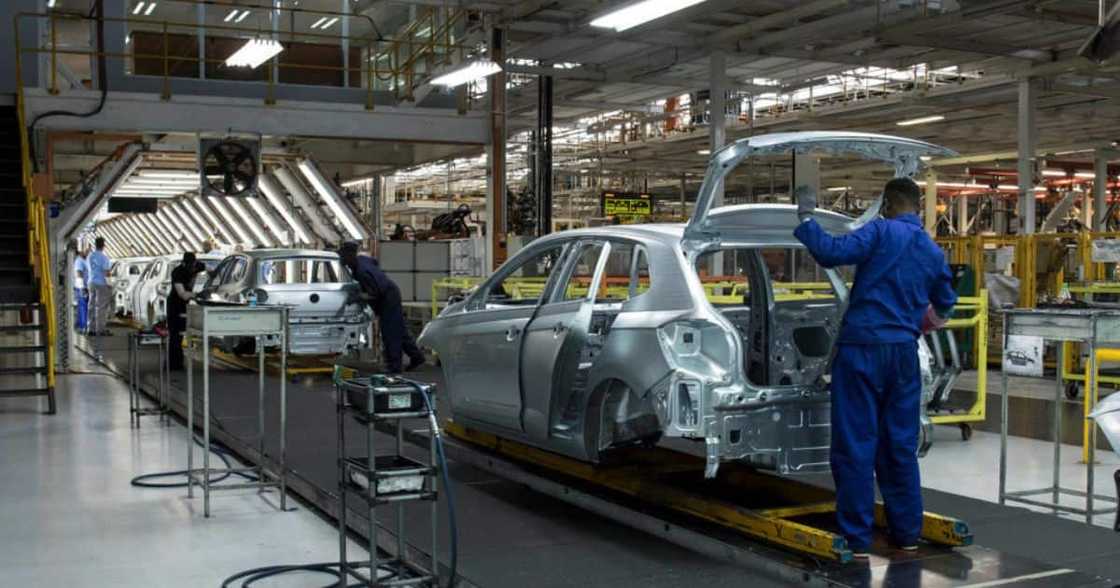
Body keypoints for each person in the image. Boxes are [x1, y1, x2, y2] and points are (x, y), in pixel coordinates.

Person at [792, 178, 956, 558]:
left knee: (855, 444)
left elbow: (830, 252)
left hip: (863, 350)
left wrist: (805, 214)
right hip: (903, 354)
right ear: (918, 206)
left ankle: (857, 538)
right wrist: (920, 323)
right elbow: (946, 304)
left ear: (887, 204)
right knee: (900, 444)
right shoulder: (932, 250)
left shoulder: (881, 232)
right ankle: (907, 533)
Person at [337, 241, 424, 373]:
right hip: (390, 291)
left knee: (390, 333)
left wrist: (358, 297)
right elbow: (374, 262)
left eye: (343, 256)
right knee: (399, 328)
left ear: (350, 256)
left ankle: (394, 367)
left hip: (388, 298)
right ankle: (417, 357)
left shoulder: (362, 272)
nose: (341, 259)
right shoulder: (361, 260)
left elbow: (374, 294)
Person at [166, 252, 206, 370]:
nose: (192, 268)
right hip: (175, 305)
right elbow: (182, 294)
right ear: (184, 263)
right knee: (175, 335)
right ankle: (173, 365)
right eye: (190, 266)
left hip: (186, 305)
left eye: (193, 266)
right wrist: (198, 294)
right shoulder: (177, 272)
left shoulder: (198, 265)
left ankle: (179, 362)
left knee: (183, 334)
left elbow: (210, 270)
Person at [87, 237, 113, 336]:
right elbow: (106, 272)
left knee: (91, 305)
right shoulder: (104, 257)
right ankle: (101, 329)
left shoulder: (90, 256)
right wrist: (110, 284)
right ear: (103, 245)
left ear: (95, 244)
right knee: (101, 307)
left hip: (91, 282)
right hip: (101, 284)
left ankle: (91, 329)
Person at [73, 246, 89, 332]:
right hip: (81, 287)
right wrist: (82, 287)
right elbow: (78, 273)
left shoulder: (84, 260)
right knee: (83, 306)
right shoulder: (79, 261)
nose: (88, 251)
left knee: (82, 307)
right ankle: (83, 326)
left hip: (83, 287)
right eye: (87, 250)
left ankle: (80, 324)